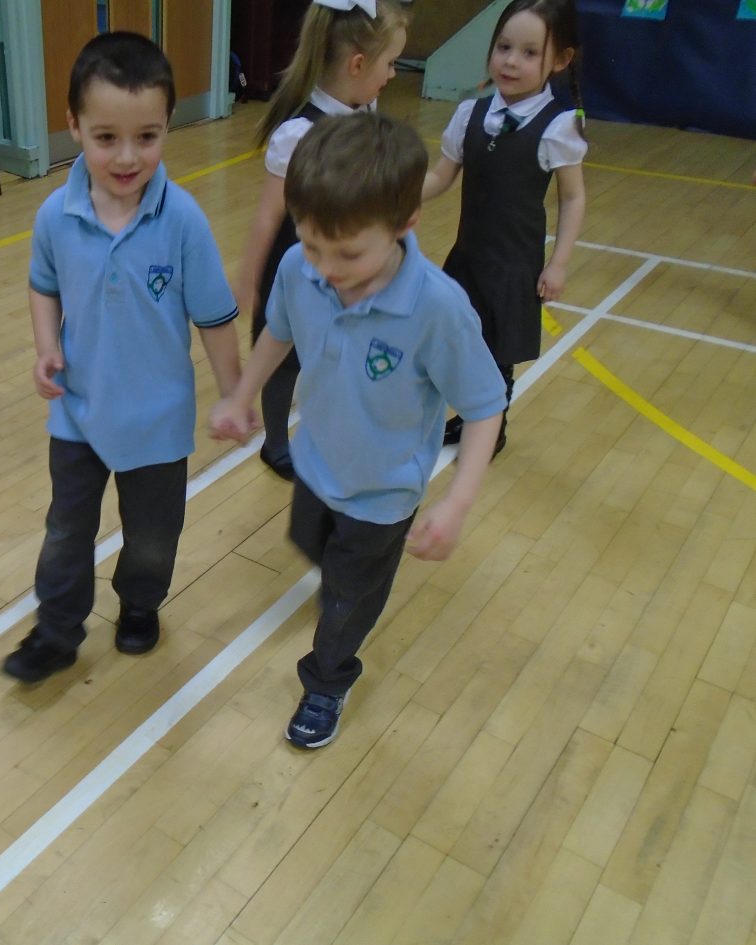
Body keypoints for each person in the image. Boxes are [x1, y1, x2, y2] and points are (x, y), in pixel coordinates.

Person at [210, 113, 507, 748]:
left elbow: (486, 406)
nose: (326, 268)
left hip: (383, 492)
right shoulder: (300, 268)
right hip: (316, 463)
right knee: (313, 547)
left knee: (346, 601)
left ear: (405, 223)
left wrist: (456, 503)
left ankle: (327, 681)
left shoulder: (437, 308)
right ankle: (347, 590)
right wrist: (240, 394)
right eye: (313, 244)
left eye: (347, 254)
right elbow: (279, 333)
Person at [3, 32, 243, 684]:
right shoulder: (55, 215)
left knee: (153, 535)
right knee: (66, 532)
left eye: (147, 136)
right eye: (107, 137)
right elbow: (43, 285)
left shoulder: (182, 220)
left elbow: (215, 317)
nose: (128, 156)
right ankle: (56, 632)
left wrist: (234, 393)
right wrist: (47, 347)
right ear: (74, 126)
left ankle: (140, 603)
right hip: (78, 411)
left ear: (167, 126)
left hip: (158, 420)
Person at [235, 0, 408, 482]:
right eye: (391, 63)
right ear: (358, 64)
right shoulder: (298, 135)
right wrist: (249, 278)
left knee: (340, 353)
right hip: (299, 269)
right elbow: (269, 216)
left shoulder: (366, 114)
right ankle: (275, 443)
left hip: (348, 269)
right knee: (285, 359)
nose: (393, 74)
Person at [422, 0, 587, 455]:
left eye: (529, 53)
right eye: (504, 47)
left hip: (514, 265)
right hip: (468, 257)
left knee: (498, 355)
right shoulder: (469, 115)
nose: (511, 61)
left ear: (560, 60)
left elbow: (573, 198)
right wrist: (394, 200)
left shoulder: (558, 128)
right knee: (457, 343)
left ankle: (492, 429)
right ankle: (465, 417)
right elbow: (440, 176)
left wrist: (559, 263)